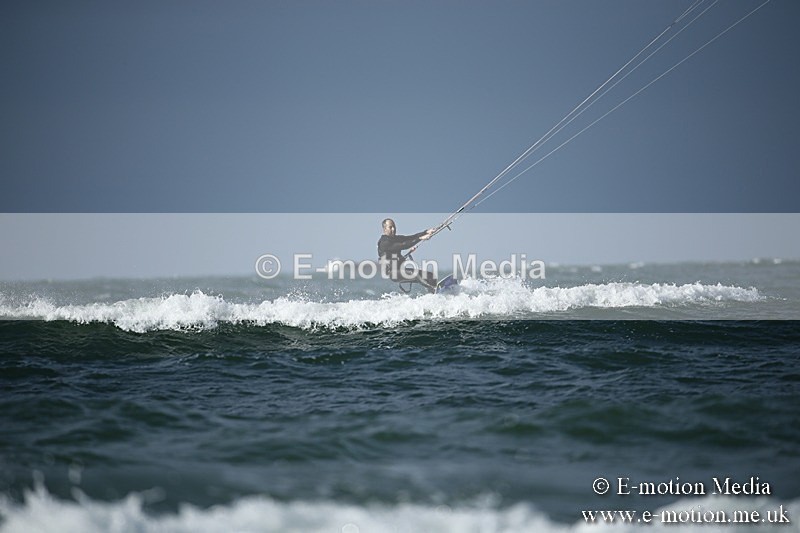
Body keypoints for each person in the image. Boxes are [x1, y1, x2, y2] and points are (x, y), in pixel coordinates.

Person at [377, 218, 438, 292]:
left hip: (401, 270)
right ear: (384, 229)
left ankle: (434, 295)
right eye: (390, 227)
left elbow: (411, 237)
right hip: (393, 273)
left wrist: (426, 232)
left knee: (430, 276)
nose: (393, 229)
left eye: (394, 227)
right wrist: (421, 238)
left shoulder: (396, 238)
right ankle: (433, 289)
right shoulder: (384, 243)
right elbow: (404, 245)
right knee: (415, 274)